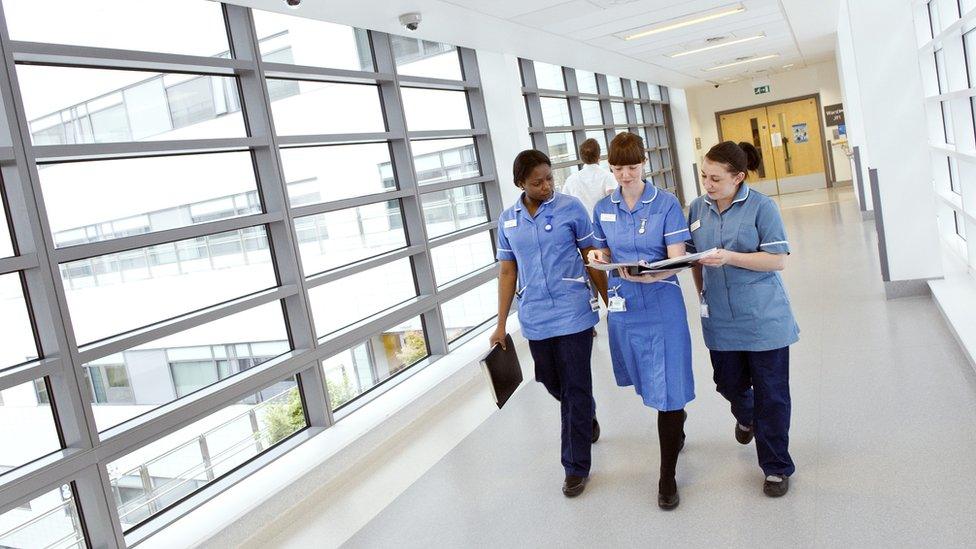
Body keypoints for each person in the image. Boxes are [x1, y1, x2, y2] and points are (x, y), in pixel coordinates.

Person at [489, 149, 608, 498]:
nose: (546, 186)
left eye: (549, 178)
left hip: (573, 312)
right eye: (537, 182)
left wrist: (609, 302)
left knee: (575, 386)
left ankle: (575, 467)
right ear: (520, 184)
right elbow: (507, 271)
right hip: (535, 316)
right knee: (550, 380)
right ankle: (585, 415)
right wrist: (500, 325)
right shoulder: (508, 220)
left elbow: (591, 259)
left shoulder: (571, 208)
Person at [586, 132, 694, 510]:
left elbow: (677, 258)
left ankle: (667, 476)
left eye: (631, 167)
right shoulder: (603, 207)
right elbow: (599, 250)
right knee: (648, 378)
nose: (625, 176)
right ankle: (675, 426)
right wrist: (601, 260)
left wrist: (650, 275)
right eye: (617, 169)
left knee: (668, 384)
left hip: (662, 302)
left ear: (643, 163)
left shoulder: (664, 204)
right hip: (625, 307)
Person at [687, 141, 800, 498]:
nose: (708, 184)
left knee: (773, 395)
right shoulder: (696, 208)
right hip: (720, 316)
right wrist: (700, 292)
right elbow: (692, 258)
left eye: (716, 178)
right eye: (704, 175)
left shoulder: (761, 207)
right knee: (727, 383)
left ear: (738, 177)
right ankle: (747, 414)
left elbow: (777, 259)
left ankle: (776, 467)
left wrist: (731, 257)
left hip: (763, 317)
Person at [562, 138, 617, 214]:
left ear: (581, 157)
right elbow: (614, 202)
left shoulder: (571, 179)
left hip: (581, 223)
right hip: (604, 221)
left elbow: (565, 203)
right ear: (598, 155)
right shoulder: (608, 176)